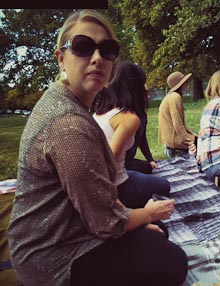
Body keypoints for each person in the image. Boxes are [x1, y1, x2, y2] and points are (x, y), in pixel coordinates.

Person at [9, 10, 186, 285]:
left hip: (68, 228)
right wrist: (146, 214)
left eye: (107, 49)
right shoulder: (68, 124)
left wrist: (136, 220)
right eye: (83, 46)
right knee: (172, 262)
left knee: (156, 233)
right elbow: (107, 222)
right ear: (61, 58)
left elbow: (100, 195)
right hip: (50, 257)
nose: (97, 58)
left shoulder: (67, 103)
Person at [94, 61, 172, 209]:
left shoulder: (100, 113)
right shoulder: (129, 119)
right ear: (135, 87)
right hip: (117, 186)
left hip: (114, 177)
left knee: (143, 172)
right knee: (164, 185)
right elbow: (107, 163)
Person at [158, 71, 198, 159]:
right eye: (185, 82)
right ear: (181, 84)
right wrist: (190, 141)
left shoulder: (169, 97)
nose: (187, 84)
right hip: (175, 144)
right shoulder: (175, 97)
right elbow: (178, 125)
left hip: (170, 142)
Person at [123, 74, 157, 174]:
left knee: (148, 167)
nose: (149, 96)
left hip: (129, 161)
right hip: (120, 163)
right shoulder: (126, 114)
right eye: (145, 93)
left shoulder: (142, 115)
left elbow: (142, 139)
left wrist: (150, 159)